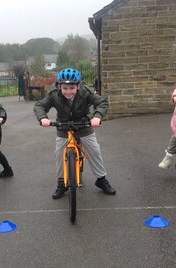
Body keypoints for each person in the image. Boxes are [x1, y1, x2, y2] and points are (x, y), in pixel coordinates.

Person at [34, 68, 116, 199]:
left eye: (72, 88)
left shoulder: (86, 92)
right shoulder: (54, 94)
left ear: (78, 86)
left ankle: (101, 179)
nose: (68, 91)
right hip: (63, 127)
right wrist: (43, 118)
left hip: (83, 125)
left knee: (94, 150)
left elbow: (101, 102)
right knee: (59, 154)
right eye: (64, 88)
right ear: (59, 86)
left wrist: (97, 116)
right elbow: (39, 106)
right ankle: (62, 183)